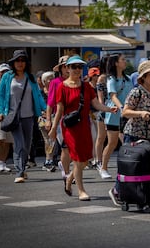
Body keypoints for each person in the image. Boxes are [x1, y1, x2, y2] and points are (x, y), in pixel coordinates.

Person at [48, 55, 117, 201]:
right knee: (78, 160)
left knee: (86, 160)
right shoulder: (62, 86)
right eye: (74, 67)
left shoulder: (86, 86)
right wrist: (53, 129)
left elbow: (95, 104)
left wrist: (108, 109)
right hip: (70, 128)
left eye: (80, 67)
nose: (77, 70)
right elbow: (59, 110)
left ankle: (69, 179)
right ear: (67, 68)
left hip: (84, 125)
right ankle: (81, 190)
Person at [108, 59, 150, 206]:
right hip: (135, 134)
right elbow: (125, 112)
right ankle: (117, 190)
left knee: (147, 168)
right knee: (131, 166)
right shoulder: (136, 92)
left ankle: (144, 196)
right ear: (143, 78)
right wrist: (140, 113)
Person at [0, 50, 47, 183]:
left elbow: (37, 95)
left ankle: (23, 168)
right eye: (18, 60)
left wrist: (45, 108)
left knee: (26, 145)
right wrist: (1, 111)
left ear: (26, 63)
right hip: (13, 115)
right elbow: (1, 95)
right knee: (19, 144)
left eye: (23, 60)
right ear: (13, 62)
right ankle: (19, 171)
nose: (20, 63)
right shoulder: (7, 77)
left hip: (29, 116)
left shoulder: (30, 78)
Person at [99, 53, 133, 179]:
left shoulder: (128, 78)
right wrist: (122, 107)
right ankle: (103, 168)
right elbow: (113, 95)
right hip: (114, 114)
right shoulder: (111, 79)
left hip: (127, 114)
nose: (125, 62)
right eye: (123, 60)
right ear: (116, 63)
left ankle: (128, 168)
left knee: (128, 142)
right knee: (112, 143)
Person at [45, 55, 71, 179]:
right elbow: (50, 103)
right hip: (59, 118)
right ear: (60, 69)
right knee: (65, 146)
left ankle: (64, 165)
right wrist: (49, 120)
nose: (67, 69)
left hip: (74, 118)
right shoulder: (55, 83)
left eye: (69, 66)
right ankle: (66, 173)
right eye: (65, 66)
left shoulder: (77, 81)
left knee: (74, 148)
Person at [94, 55, 109, 169]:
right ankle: (98, 160)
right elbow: (100, 97)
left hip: (115, 110)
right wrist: (104, 109)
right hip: (104, 110)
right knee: (101, 137)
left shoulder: (115, 76)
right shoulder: (102, 78)